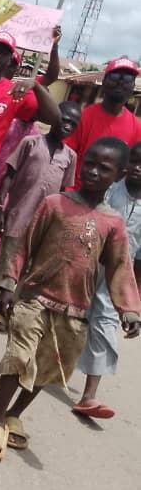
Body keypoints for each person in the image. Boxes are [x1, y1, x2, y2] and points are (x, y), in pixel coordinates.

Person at [0, 138, 140, 462]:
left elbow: (121, 267)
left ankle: (14, 414)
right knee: (19, 358)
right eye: (89, 163)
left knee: (47, 370)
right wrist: (7, 283)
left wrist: (130, 310)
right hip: (35, 298)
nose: (92, 171)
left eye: (103, 168)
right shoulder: (55, 204)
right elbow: (25, 244)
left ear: (118, 174)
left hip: (76, 309)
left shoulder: (113, 223)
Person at [0, 28, 61, 294]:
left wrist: (35, 84)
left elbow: (53, 117)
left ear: (11, 60)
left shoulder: (14, 92)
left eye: (3, 53)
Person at [0, 101, 80, 330]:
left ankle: (13, 309)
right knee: (7, 263)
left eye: (72, 124)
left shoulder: (70, 156)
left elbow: (65, 192)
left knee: (29, 269)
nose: (66, 125)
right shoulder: (31, 142)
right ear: (53, 116)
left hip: (45, 224)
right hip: (18, 213)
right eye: (63, 119)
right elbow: (9, 175)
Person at [73, 140, 141, 419]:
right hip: (85, 262)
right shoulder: (110, 189)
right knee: (69, 315)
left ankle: (89, 396)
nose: (138, 168)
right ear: (125, 166)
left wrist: (134, 303)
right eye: (135, 161)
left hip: (117, 274)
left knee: (105, 324)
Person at [65, 57, 141, 186]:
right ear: (104, 81)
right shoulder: (83, 117)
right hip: (75, 193)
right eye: (115, 76)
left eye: (127, 78)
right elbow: (65, 157)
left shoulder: (137, 128)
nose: (120, 82)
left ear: (133, 86)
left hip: (110, 202)